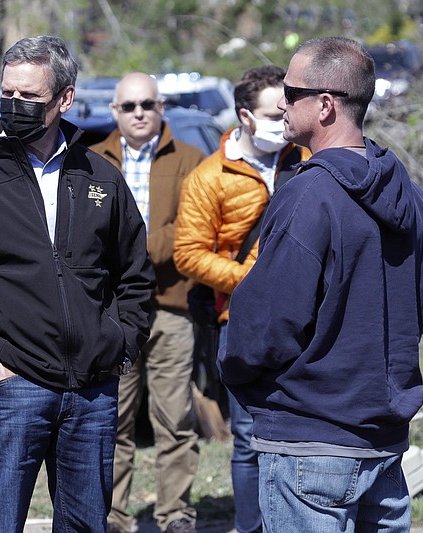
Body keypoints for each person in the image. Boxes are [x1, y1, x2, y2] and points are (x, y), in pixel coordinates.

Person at [0, 35, 155, 532]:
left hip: (91, 391)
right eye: (8, 95)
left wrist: (121, 344)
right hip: (11, 390)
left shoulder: (99, 177)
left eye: (30, 98)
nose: (15, 106)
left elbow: (134, 272)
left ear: (64, 99)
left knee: (86, 524)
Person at [218, 37, 423, 532]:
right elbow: (417, 311)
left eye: (291, 92)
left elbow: (266, 323)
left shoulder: (308, 196)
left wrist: (237, 371)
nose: (280, 102)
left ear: (324, 104)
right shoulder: (410, 194)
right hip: (381, 443)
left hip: (310, 444)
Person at [173, 65, 309, 533]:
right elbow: (188, 253)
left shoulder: (307, 159)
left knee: (303, 432)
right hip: (242, 319)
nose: (284, 119)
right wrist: (252, 281)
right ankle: (252, 526)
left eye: (288, 110)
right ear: (245, 116)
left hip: (307, 321)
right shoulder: (210, 177)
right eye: (275, 112)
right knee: (250, 436)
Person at [89, 72, 204, 533]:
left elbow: (192, 232)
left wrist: (131, 247)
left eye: (148, 105)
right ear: (115, 112)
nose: (139, 113)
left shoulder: (192, 161)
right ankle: (113, 515)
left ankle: (175, 513)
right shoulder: (91, 162)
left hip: (172, 306)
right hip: (111, 311)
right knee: (111, 418)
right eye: (129, 106)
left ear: (162, 108)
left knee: (175, 418)